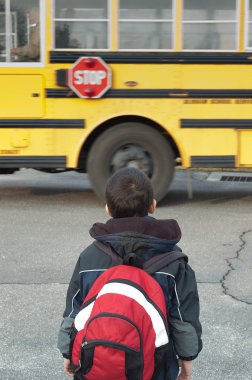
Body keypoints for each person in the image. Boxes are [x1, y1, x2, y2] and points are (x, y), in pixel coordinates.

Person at [57, 167, 202, 380]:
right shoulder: (173, 259)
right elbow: (182, 317)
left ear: (107, 209)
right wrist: (187, 358)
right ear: (152, 205)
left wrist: (68, 351)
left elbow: (74, 310)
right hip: (155, 363)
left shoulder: (90, 257)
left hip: (94, 361)